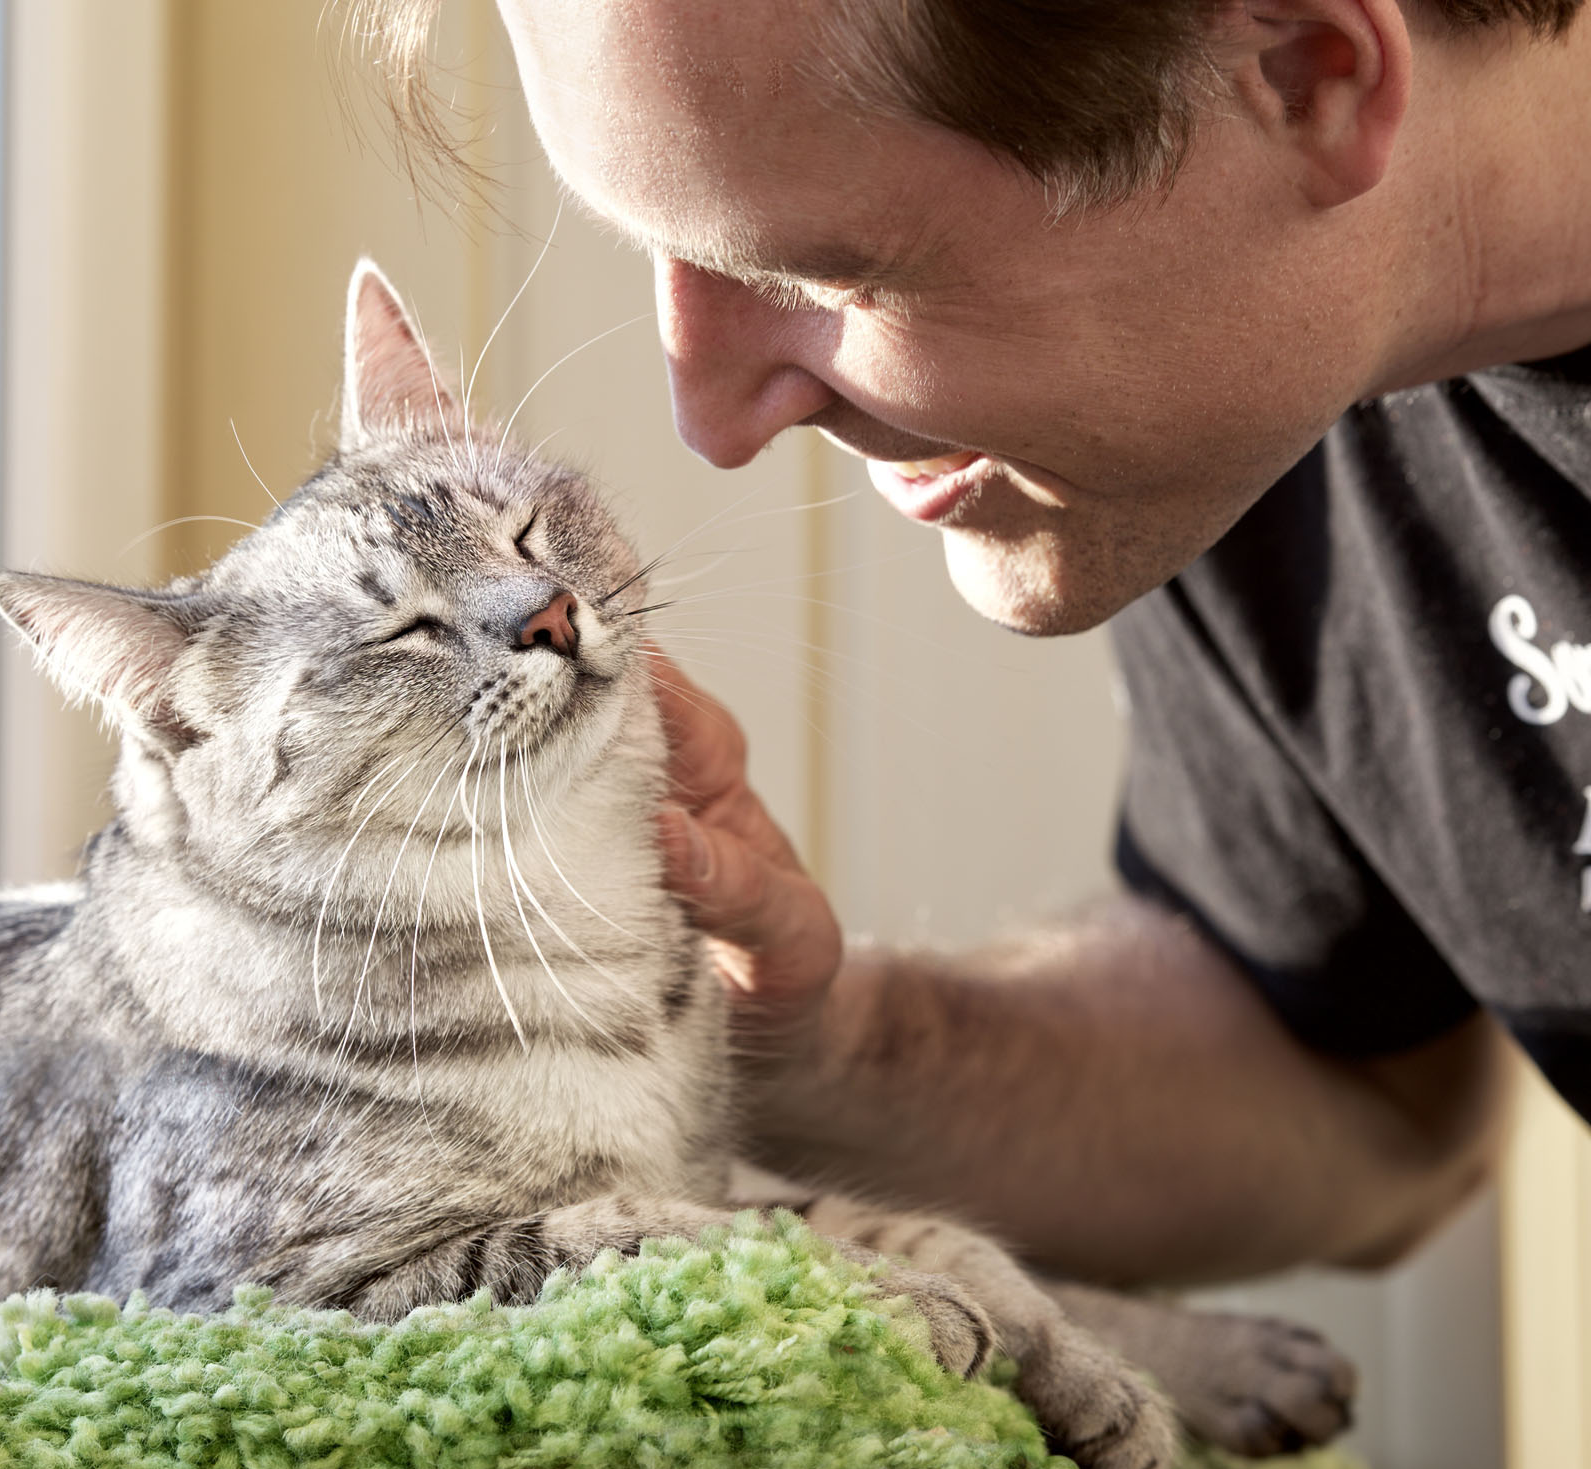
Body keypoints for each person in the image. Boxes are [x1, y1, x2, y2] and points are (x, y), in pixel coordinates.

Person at [356, 0, 1591, 1288]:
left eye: (819, 273)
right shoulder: (1241, 377)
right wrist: (795, 1030)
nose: (713, 423)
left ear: (1302, 75)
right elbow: (1367, 1110)